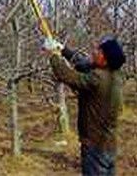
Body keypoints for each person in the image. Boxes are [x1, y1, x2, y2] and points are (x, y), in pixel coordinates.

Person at [43, 35, 125, 176]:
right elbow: (84, 63)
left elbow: (67, 76)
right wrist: (63, 50)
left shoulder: (98, 79)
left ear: (105, 60)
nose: (94, 52)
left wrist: (53, 55)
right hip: (108, 145)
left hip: (95, 146)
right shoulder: (113, 74)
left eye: (99, 51)